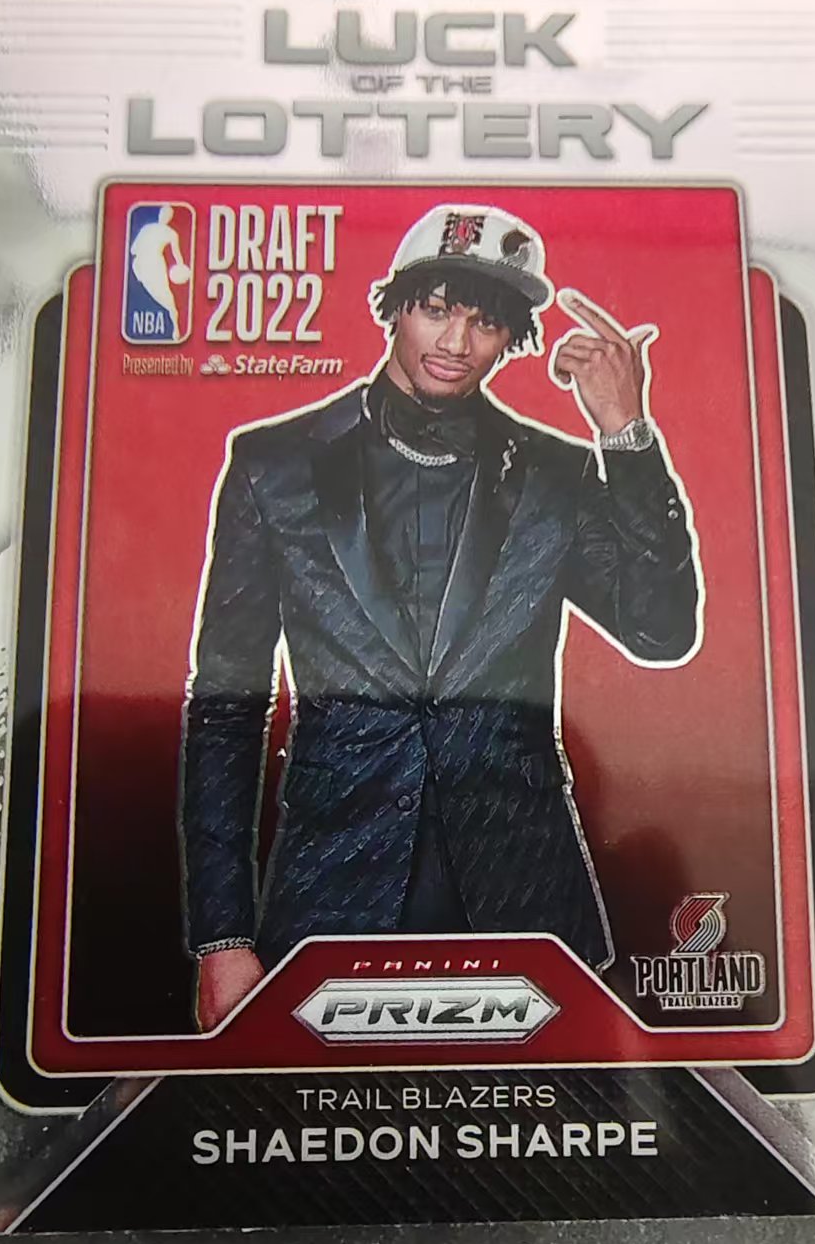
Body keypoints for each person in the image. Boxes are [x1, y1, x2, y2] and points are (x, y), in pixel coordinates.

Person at [179, 204, 702, 1030]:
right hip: (332, 889)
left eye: (485, 322)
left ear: (511, 339)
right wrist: (222, 936)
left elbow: (661, 632)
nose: (456, 341)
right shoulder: (273, 465)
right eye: (435, 309)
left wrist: (625, 434)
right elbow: (225, 704)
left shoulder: (556, 475)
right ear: (395, 306)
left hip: (523, 896)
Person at [129, 203, 191, 337]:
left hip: (156, 264)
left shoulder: (171, 233)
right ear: (160, 214)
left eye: (168, 215)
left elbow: (177, 254)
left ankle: (175, 327)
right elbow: (133, 249)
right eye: (164, 213)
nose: (165, 216)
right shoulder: (147, 228)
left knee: (166, 296)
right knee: (152, 292)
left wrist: (181, 268)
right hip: (142, 264)